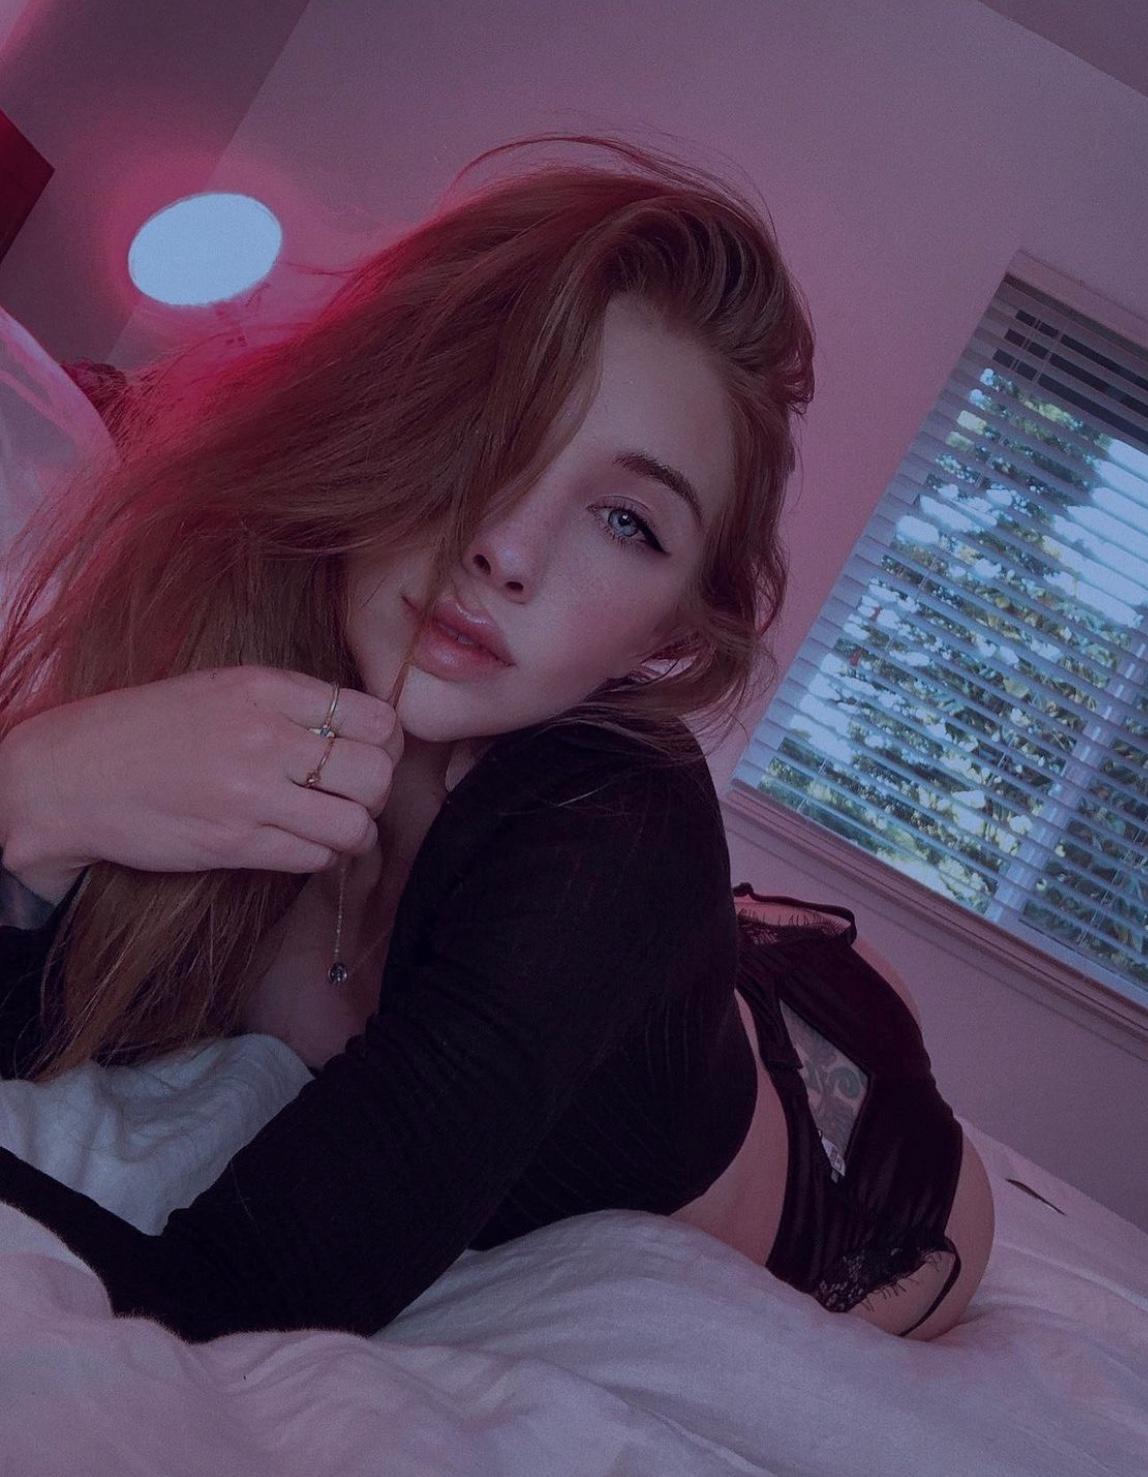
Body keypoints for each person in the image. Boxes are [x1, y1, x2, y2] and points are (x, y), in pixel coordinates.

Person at [0, 131, 987, 1344]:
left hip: (854, 1164)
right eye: (493, 426)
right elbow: (33, 1016)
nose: (505, 549)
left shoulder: (612, 832)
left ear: (665, 632)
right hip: (670, 971)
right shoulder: (247, 656)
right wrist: (36, 790)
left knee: (730, 989)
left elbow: (232, 1292)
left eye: (626, 521)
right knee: (690, 957)